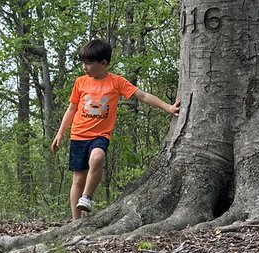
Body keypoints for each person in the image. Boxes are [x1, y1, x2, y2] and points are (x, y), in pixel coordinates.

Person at [51, 38, 180, 221]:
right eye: (83, 63)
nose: (84, 68)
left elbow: (142, 95)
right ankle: (75, 222)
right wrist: (60, 133)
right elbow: (72, 108)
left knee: (98, 157)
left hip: (100, 136)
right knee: (78, 179)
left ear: (103, 63)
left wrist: (168, 107)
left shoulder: (116, 82)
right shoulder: (80, 83)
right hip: (78, 135)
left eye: (88, 64)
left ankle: (87, 197)